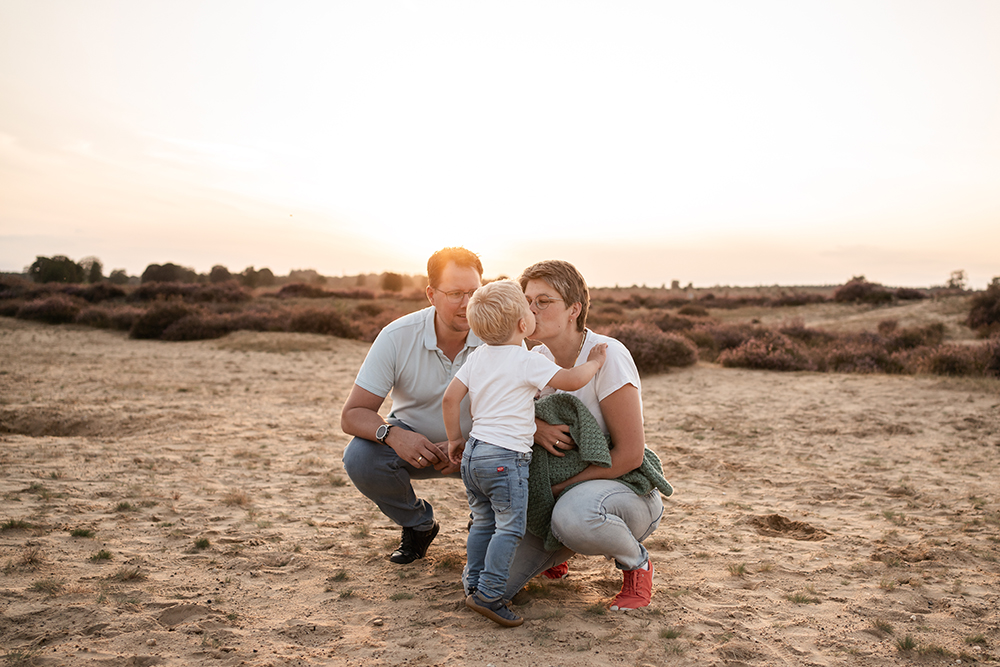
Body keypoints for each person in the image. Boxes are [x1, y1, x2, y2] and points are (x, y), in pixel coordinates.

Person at [504, 259, 672, 611]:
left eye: (543, 301)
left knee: (574, 517)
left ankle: (636, 564)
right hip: (556, 492)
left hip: (625, 490)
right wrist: (535, 427)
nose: (531, 310)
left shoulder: (608, 356)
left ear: (574, 309)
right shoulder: (536, 357)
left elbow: (630, 455)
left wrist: (560, 489)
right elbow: (501, 415)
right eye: (527, 300)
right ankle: (556, 553)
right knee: (491, 584)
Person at [442, 280, 607, 627]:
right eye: (527, 309)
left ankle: (473, 583)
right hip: (506, 460)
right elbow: (572, 381)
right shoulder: (525, 360)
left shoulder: (477, 357)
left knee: (483, 522)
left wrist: (454, 439)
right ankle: (488, 593)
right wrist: (594, 364)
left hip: (474, 454)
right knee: (510, 528)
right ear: (522, 326)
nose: (533, 313)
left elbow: (449, 399)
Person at [340, 247, 483, 564]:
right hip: (414, 446)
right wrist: (392, 435)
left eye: (474, 292)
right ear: (431, 294)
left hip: (483, 449)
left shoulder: (500, 337)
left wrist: (470, 447)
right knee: (360, 457)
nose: (467, 303)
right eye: (456, 293)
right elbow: (352, 415)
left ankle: (484, 528)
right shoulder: (396, 336)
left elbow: (521, 416)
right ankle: (418, 526)